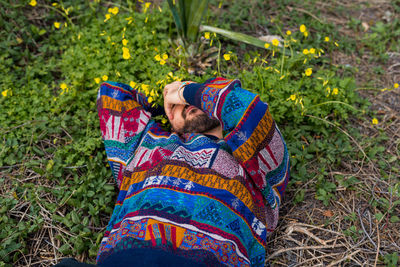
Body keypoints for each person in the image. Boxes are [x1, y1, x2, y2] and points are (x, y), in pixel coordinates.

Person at [95, 77, 290, 266]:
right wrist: (162, 103)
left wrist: (183, 92)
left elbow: (248, 107)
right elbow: (111, 95)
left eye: (193, 97)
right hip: (125, 258)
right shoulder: (147, 143)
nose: (186, 104)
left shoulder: (254, 154)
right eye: (178, 105)